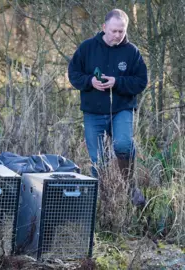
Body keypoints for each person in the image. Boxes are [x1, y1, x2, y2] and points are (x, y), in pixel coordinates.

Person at [68, 9, 148, 206]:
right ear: (104, 28)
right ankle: (105, 204)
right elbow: (73, 74)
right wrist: (90, 82)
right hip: (93, 111)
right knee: (98, 162)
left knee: (123, 145)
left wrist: (117, 82)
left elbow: (141, 82)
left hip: (122, 109)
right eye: (114, 31)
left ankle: (130, 188)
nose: (118, 35)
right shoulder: (87, 48)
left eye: (121, 31)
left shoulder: (132, 52)